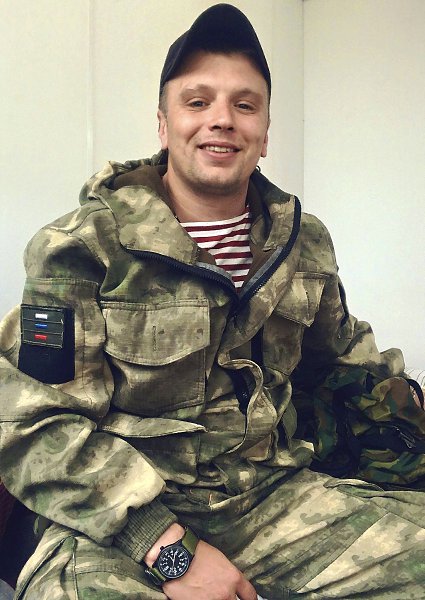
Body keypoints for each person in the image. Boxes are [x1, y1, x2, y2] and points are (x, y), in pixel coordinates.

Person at [0, 4, 424, 599]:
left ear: (265, 133)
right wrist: (170, 551)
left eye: (244, 105)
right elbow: (33, 423)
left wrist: (407, 413)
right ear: (163, 124)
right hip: (119, 519)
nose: (221, 119)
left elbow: (348, 358)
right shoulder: (82, 249)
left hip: (271, 497)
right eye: (197, 102)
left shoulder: (301, 242)